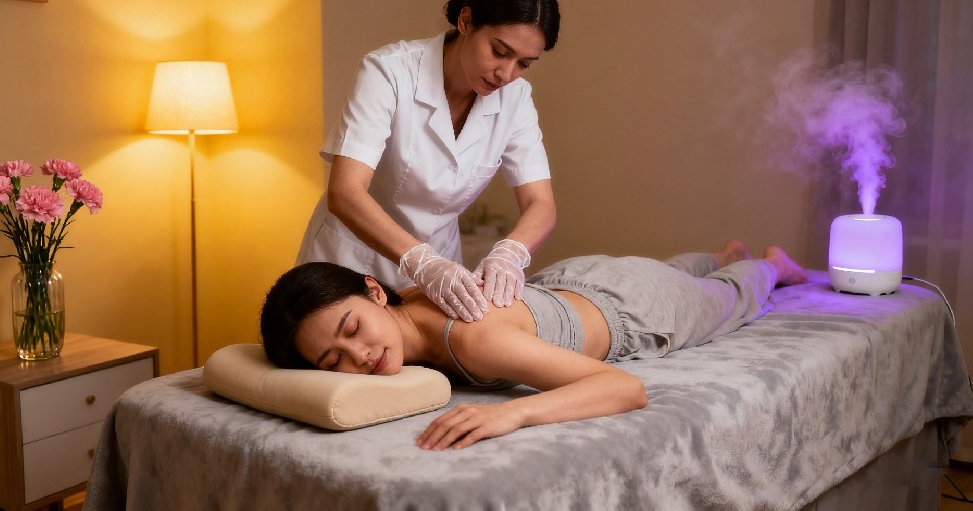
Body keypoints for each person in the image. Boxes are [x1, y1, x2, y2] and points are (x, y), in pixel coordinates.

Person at [261, 240, 809, 450]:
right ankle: (715, 251)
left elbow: (625, 388)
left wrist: (515, 415)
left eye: (352, 330)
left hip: (633, 307)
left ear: (375, 292)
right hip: (571, 278)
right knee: (673, 266)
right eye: (333, 361)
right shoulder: (413, 297)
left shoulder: (473, 341)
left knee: (733, 295)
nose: (358, 358)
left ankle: (766, 264)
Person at [296, 0, 561, 324]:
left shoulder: (515, 99)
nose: (506, 74)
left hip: (437, 276)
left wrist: (510, 253)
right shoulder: (389, 72)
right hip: (351, 263)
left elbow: (540, 203)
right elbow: (345, 193)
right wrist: (423, 262)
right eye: (499, 51)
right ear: (466, 21)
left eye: (524, 64)